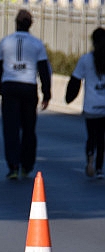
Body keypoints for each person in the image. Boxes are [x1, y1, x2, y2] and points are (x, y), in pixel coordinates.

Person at [0, 9, 51, 180]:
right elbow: (43, 71)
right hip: (28, 87)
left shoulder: (5, 41)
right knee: (28, 128)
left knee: (10, 128)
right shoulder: (37, 43)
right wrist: (46, 94)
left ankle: (13, 166)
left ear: (16, 23)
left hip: (10, 86)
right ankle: (26, 165)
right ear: (30, 24)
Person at [66, 27, 105, 179]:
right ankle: (100, 168)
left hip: (91, 107)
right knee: (102, 138)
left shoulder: (86, 59)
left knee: (92, 136)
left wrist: (69, 97)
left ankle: (90, 157)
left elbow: (75, 80)